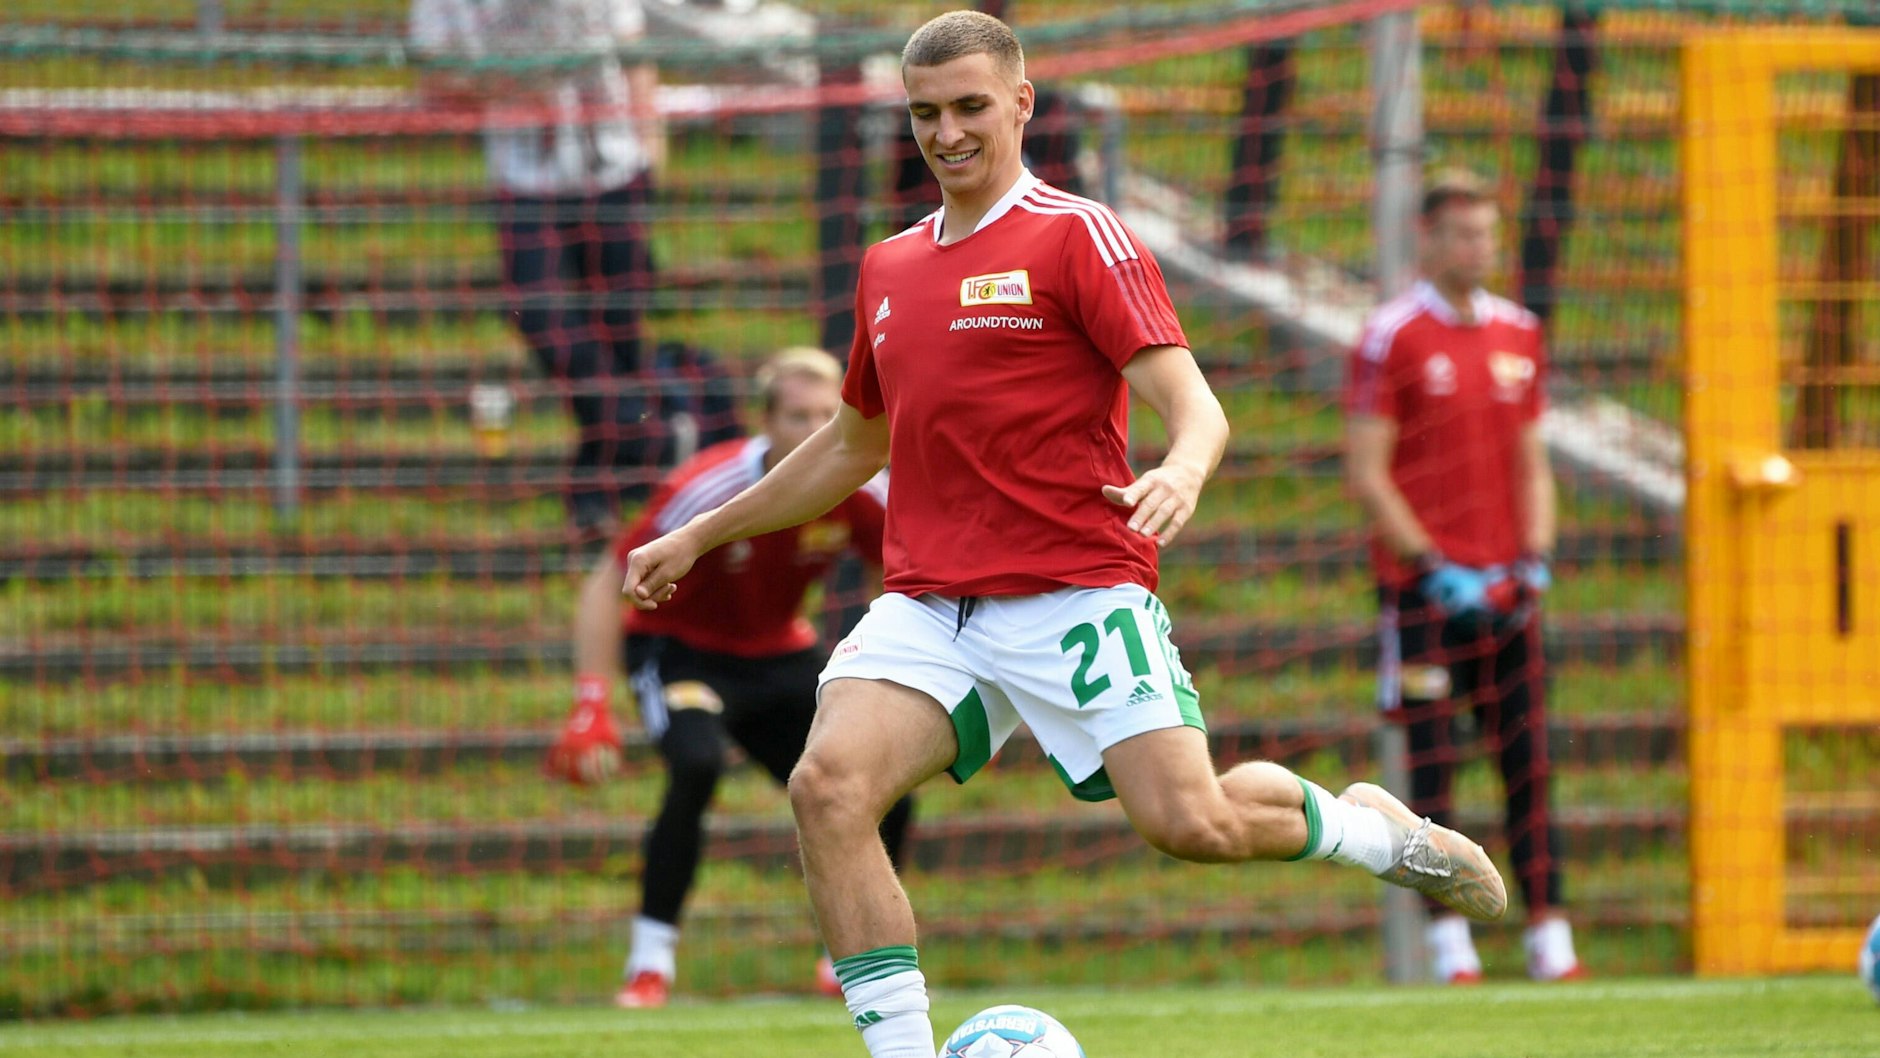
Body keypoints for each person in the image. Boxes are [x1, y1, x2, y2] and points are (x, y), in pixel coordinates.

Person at [624, 14, 1507, 1058]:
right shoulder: (889, 268)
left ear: (1020, 103)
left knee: (1193, 823)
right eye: (924, 114)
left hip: (1077, 589)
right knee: (826, 785)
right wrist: (699, 534)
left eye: (968, 107)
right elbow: (850, 444)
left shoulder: (1075, 234)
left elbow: (1196, 403)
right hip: (930, 605)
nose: (946, 133)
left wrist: (1179, 469)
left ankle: (1369, 827)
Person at [546, 347, 916, 1009]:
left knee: (882, 780)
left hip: (776, 654)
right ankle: (648, 965)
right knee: (696, 764)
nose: (812, 430)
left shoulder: (862, 485)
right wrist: (590, 700)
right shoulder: (710, 485)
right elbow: (610, 580)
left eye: (826, 416)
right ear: (765, 422)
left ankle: (851, 961)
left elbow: (911, 567)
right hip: (682, 650)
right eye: (796, 415)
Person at [1343, 169, 1584, 984]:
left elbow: (1532, 463)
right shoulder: (1393, 335)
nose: (1479, 247)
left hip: (1509, 591)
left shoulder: (1520, 333)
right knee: (1433, 765)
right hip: (1424, 595)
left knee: (1528, 758)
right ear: (1430, 239)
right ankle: (1451, 945)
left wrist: (1536, 558)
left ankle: (1550, 934)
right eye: (1463, 233)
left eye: (1488, 232)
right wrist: (1431, 565)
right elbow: (1370, 471)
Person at [408, 0, 664, 534]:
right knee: (541, 317)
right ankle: (643, 434)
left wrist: (651, 144)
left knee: (620, 331)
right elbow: (432, 73)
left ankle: (601, 487)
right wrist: (510, 86)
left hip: (614, 168)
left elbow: (634, 50)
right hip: (525, 179)